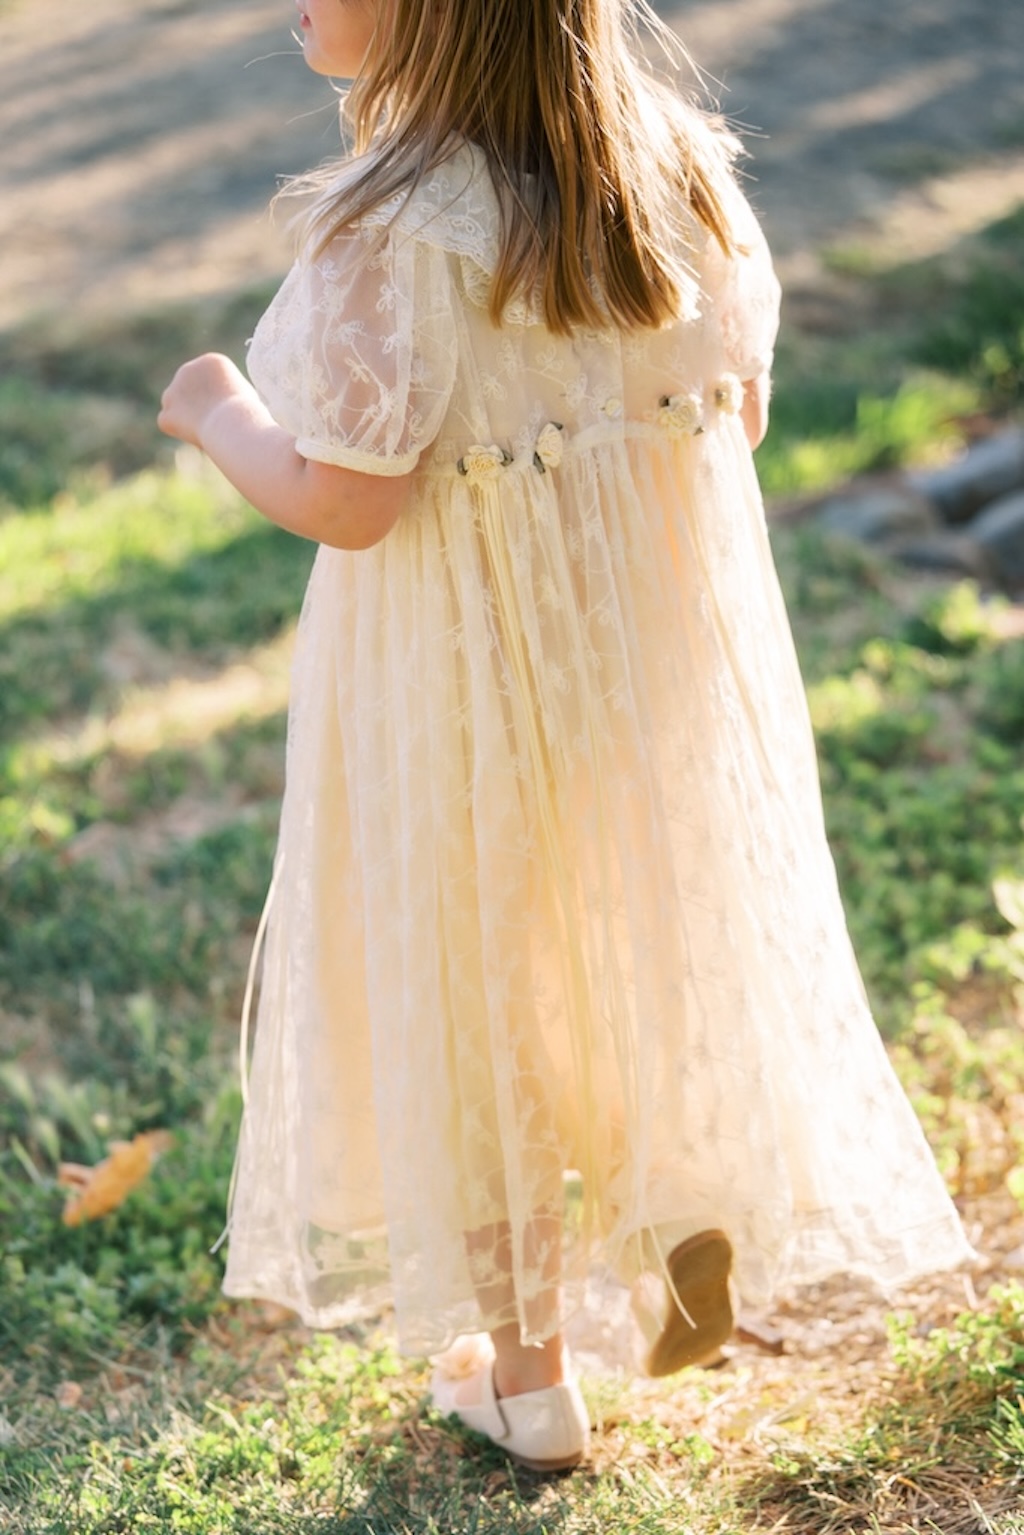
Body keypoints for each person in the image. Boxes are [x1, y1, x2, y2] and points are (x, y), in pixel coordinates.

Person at [159, 0, 972, 1473]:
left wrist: (217, 412)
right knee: (633, 930)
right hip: (646, 662)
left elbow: (352, 496)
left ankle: (526, 1381)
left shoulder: (398, 223)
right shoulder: (675, 172)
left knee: (477, 987)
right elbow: (741, 412)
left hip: (458, 685)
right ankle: (676, 1219)